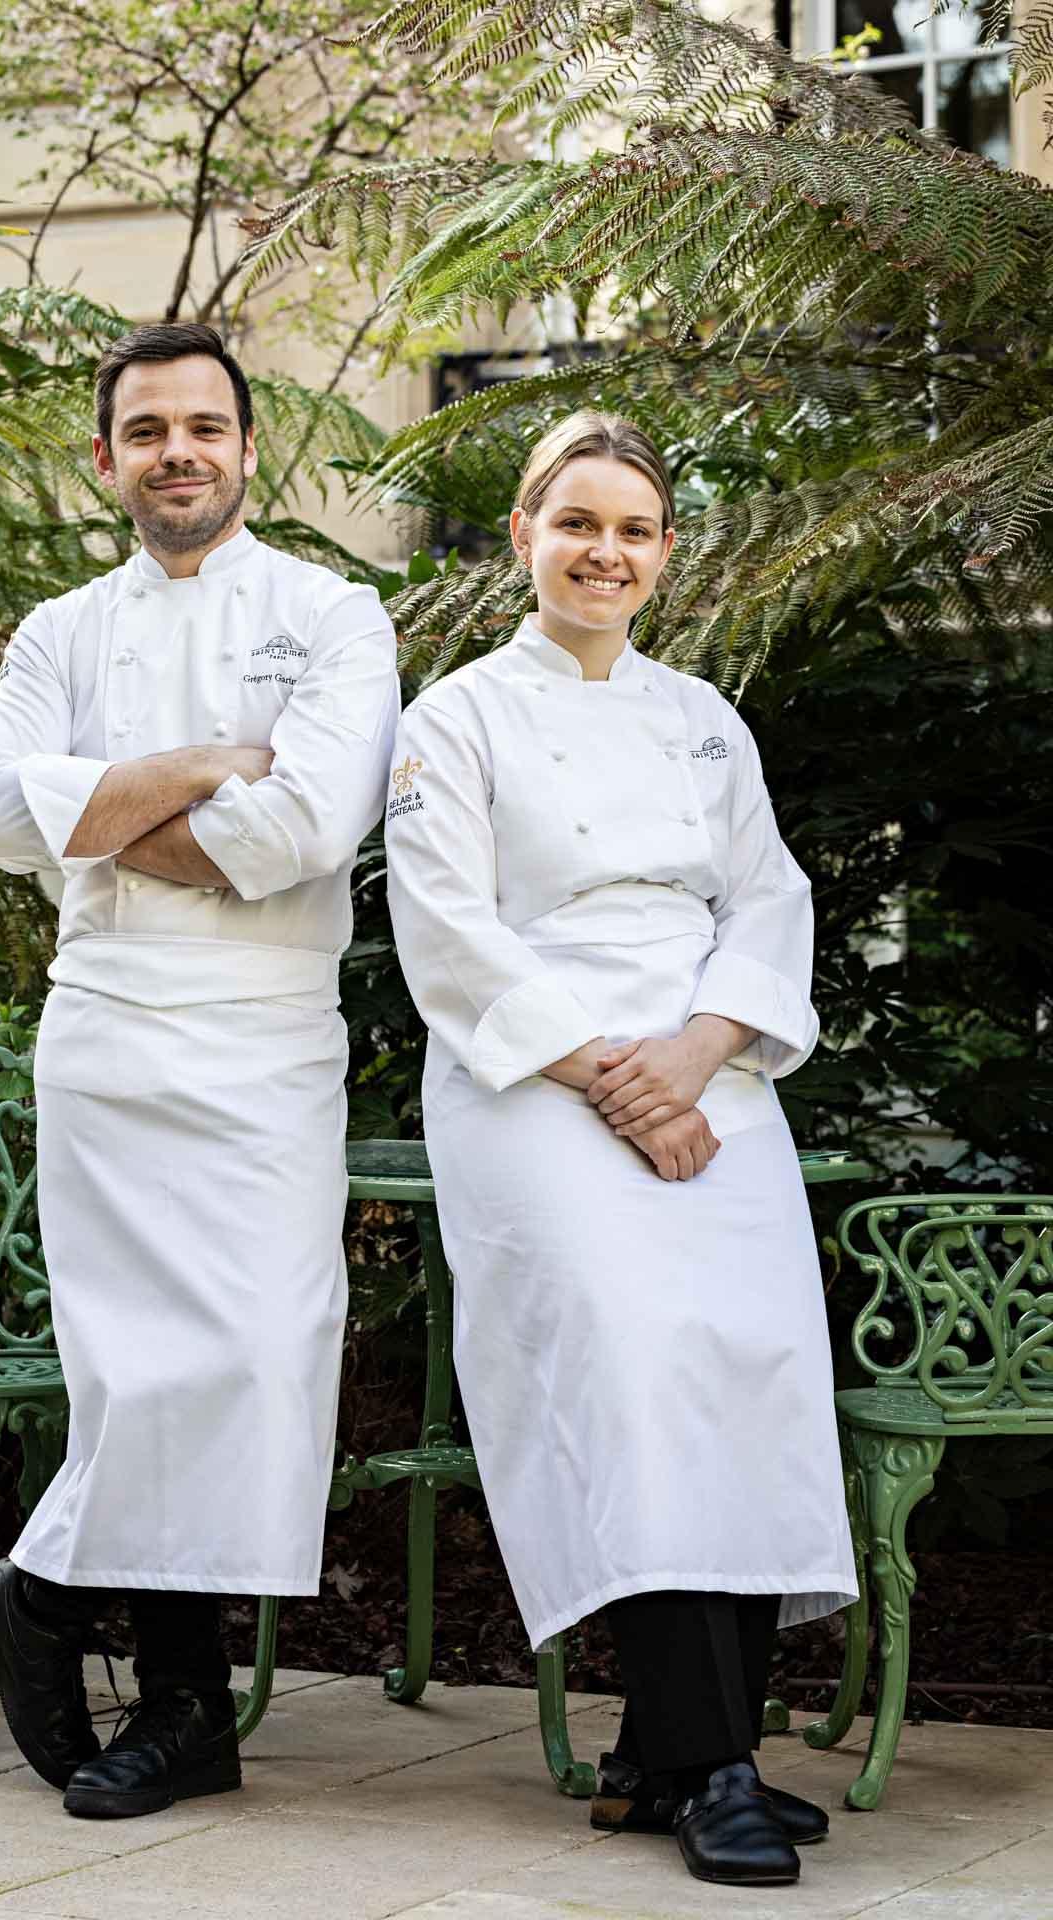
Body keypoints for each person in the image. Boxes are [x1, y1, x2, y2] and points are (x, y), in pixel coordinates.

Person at [384, 411, 857, 1888]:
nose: (606, 551)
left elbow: (769, 906)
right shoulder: (454, 718)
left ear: (663, 555)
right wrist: (609, 1074)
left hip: (710, 1070)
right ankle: (711, 1761)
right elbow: (446, 933)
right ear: (522, 537)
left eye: (635, 530)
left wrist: (698, 1057)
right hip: (533, 1076)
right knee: (633, 1380)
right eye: (576, 523)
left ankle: (669, 1760)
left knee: (744, 1370)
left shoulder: (707, 717)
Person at [0, 322, 399, 1821]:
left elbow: (309, 835)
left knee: (262, 1354)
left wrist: (93, 806)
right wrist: (215, 760)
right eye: (147, 432)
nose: (178, 453)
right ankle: (187, 1714)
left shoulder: (338, 614)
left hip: (270, 1030)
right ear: (107, 460)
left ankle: (41, 1595)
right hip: (109, 1025)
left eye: (204, 426)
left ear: (249, 448)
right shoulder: (58, 633)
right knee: (135, 1367)